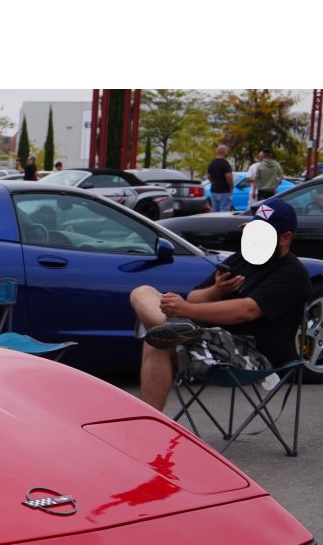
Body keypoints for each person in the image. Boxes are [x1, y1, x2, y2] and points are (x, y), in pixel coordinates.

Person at [130, 197, 309, 412]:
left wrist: (186, 311)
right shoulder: (243, 258)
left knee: (158, 341)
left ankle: (150, 427)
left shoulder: (291, 273)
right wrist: (217, 290)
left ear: (285, 238)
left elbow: (247, 310)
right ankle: (178, 328)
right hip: (211, 337)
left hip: (251, 355)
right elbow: (194, 298)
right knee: (142, 292)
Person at [206, 144, 234, 212]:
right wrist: (231, 186)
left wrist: (213, 182)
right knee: (224, 210)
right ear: (224, 151)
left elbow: (208, 176)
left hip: (214, 190)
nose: (227, 152)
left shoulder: (212, 163)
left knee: (214, 210)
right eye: (227, 150)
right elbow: (228, 176)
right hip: (224, 191)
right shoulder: (225, 163)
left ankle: (214, 222)